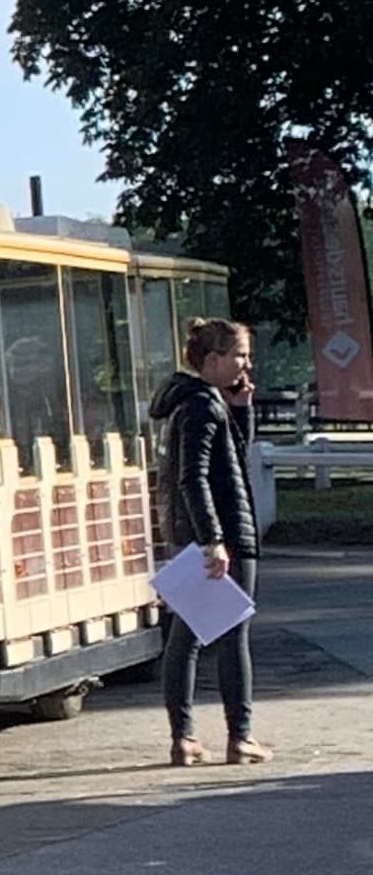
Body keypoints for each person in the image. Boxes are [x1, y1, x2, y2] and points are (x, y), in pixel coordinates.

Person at [151, 316, 268, 768]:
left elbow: (233, 460)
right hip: (221, 534)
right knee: (231, 634)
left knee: (186, 638)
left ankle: (184, 738)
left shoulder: (199, 402)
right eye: (239, 355)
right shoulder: (201, 405)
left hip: (195, 535)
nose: (245, 363)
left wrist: (240, 409)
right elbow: (192, 478)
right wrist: (213, 540)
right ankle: (240, 737)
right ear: (213, 359)